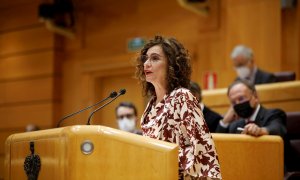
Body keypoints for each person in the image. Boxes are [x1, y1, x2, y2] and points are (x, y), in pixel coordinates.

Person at [135, 35, 221, 179]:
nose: (146, 64)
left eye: (155, 58)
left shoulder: (182, 97)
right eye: (146, 59)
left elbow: (201, 148)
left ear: (171, 65)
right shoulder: (150, 107)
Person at [216, 79, 286, 137]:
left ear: (255, 96)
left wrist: (260, 131)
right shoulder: (235, 126)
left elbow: (278, 129)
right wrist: (225, 122)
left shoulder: (274, 114)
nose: (238, 104)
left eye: (241, 98)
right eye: (234, 102)